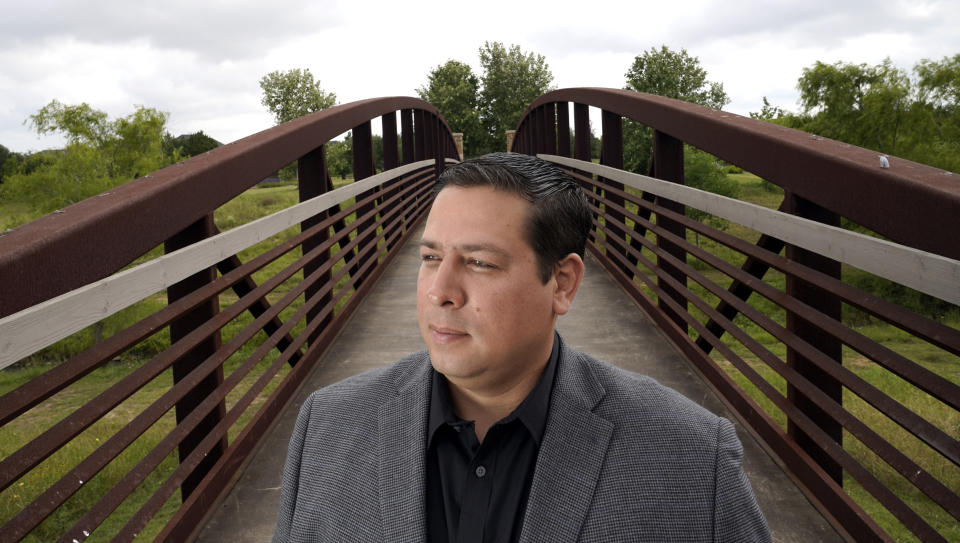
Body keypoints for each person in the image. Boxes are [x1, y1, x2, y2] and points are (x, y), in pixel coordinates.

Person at [273, 152, 770, 542]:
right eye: (430, 257)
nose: (439, 291)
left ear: (562, 283)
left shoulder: (689, 457)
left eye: (480, 263)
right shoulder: (328, 426)